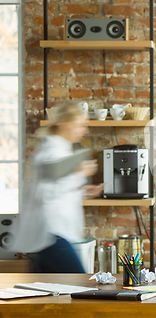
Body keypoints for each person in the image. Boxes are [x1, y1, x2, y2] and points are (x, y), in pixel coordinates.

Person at [10, 102, 103, 273]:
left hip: (55, 235)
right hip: (53, 234)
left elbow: (56, 190)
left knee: (45, 291)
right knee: (79, 287)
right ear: (65, 123)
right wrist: (79, 175)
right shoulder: (51, 152)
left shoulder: (61, 150)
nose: (85, 131)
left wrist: (81, 192)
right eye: (80, 125)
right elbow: (44, 193)